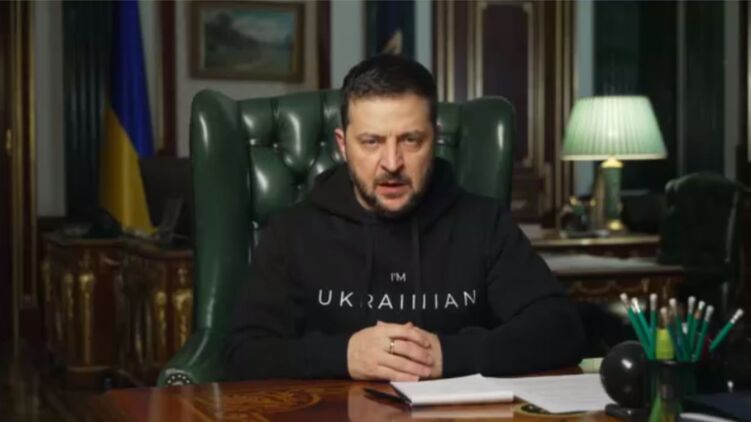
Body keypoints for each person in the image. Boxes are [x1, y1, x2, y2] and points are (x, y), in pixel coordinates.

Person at [227, 54, 586, 382]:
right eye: (371, 141)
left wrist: (446, 355)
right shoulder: (292, 231)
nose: (392, 163)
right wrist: (344, 355)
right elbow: (244, 353)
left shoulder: (483, 224)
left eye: (411, 140)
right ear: (343, 145)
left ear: (435, 140)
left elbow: (562, 329)